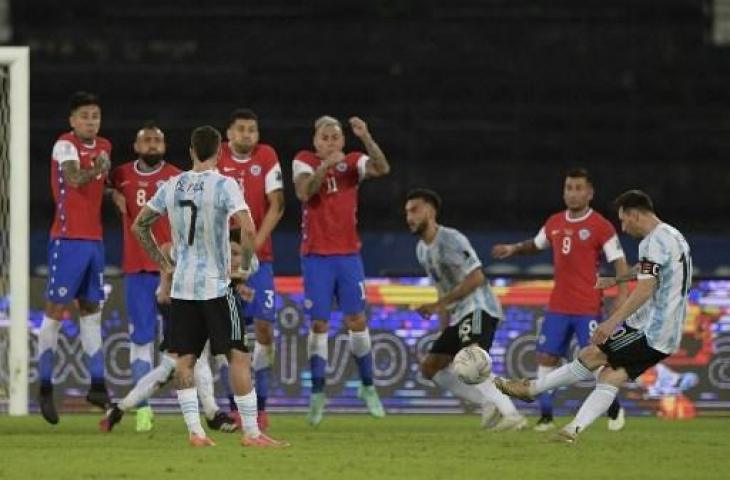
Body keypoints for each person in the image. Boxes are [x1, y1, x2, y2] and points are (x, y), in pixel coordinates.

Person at [131, 125, 287, 447]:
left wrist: (163, 264)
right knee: (238, 357)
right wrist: (243, 268)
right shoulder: (224, 184)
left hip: (183, 289)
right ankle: (252, 433)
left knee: (185, 360)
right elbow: (247, 225)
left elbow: (140, 225)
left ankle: (195, 432)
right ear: (219, 152)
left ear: (190, 151)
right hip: (217, 286)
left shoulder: (172, 185)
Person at [495, 190, 692, 443]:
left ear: (634, 214)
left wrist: (612, 322)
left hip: (650, 329)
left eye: (623, 220)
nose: (623, 226)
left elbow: (645, 289)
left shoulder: (652, 241)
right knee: (610, 376)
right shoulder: (674, 235)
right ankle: (572, 431)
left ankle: (531, 389)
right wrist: (617, 279)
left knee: (591, 355)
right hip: (667, 334)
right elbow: (650, 270)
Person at [103, 123, 235, 433]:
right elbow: (105, 186)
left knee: (184, 354)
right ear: (136, 146)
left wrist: (167, 267)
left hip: (177, 274)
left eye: (157, 140)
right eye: (146, 140)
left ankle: (128, 408)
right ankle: (145, 410)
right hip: (140, 270)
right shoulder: (121, 175)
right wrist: (111, 193)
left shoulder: (177, 178)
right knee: (144, 341)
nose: (152, 144)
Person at [491, 168, 630, 431]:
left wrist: (622, 296)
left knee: (593, 362)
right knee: (546, 359)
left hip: (587, 306)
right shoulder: (554, 222)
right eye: (569, 188)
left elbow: (620, 263)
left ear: (590, 193)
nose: (573, 193)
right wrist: (513, 248)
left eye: (579, 188)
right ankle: (546, 417)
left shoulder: (601, 226)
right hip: (558, 306)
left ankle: (614, 409)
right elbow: (536, 244)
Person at [292, 115, 390, 425]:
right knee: (319, 324)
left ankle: (368, 386)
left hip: (348, 255)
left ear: (343, 141)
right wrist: (326, 165)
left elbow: (383, 168)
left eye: (336, 137)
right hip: (316, 256)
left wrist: (367, 137)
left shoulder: (353, 162)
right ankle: (318, 394)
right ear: (315, 141)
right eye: (325, 137)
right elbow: (305, 193)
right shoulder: (303, 161)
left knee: (356, 320)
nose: (331, 142)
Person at [405, 189, 527, 431]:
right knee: (430, 368)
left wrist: (439, 305)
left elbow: (476, 277)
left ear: (430, 211)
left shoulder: (451, 239)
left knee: (471, 361)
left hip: (480, 307)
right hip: (459, 314)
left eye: (415, 210)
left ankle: (512, 415)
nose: (409, 217)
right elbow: (442, 289)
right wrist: (444, 326)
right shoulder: (421, 250)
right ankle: (488, 402)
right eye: (407, 212)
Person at [99, 241, 243, 434]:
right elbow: (167, 250)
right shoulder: (195, 239)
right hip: (181, 302)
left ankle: (118, 410)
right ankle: (212, 415)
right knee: (196, 357)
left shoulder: (208, 241)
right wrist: (166, 283)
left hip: (192, 301)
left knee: (171, 366)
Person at [40, 91, 112, 424]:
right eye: (84, 115)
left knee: (91, 310)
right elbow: (72, 177)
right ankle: (44, 386)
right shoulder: (64, 144)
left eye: (95, 115)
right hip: (67, 240)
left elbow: (101, 187)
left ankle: (97, 385)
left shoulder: (106, 147)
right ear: (72, 120)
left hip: (95, 241)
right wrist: (97, 168)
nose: (90, 121)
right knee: (56, 310)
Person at [217, 108, 284, 431]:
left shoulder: (266, 154)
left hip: (261, 257)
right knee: (229, 334)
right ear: (229, 133)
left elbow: (278, 204)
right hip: (222, 259)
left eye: (252, 130)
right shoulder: (215, 157)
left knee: (264, 329)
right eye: (241, 129)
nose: (247, 135)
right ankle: (233, 407)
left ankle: (262, 405)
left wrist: (254, 244)